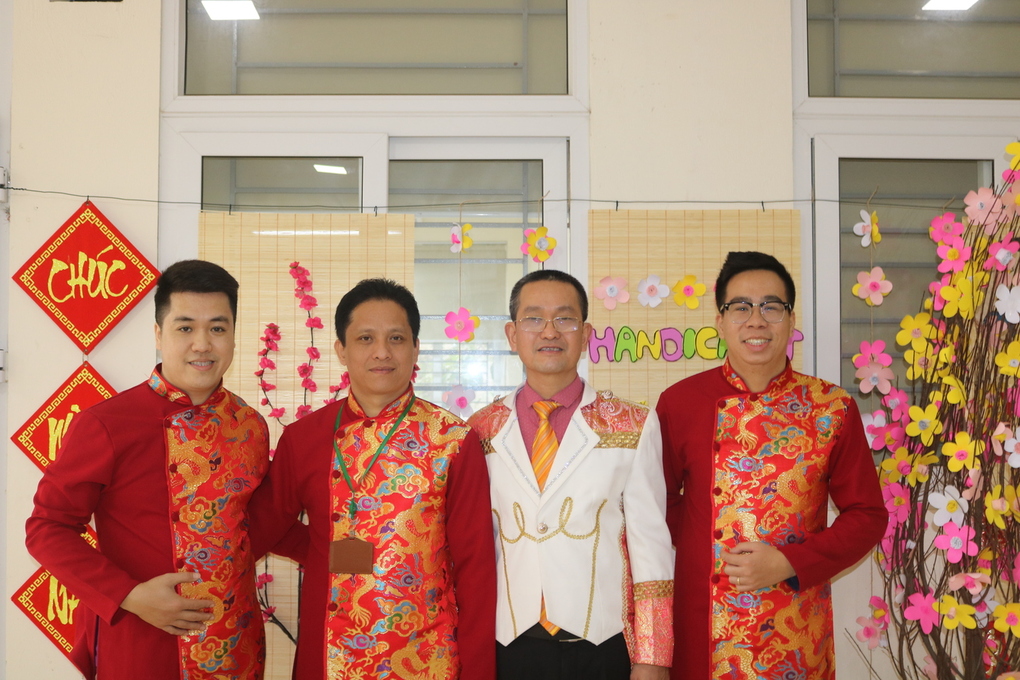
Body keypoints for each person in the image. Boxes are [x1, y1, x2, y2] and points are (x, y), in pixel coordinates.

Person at [26, 259, 271, 680]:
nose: (202, 344)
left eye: (217, 328)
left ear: (233, 335)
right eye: (185, 327)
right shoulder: (107, 423)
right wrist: (130, 595)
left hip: (236, 645)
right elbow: (47, 528)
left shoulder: (249, 425)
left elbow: (261, 523)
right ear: (159, 334)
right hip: (143, 641)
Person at [247, 278, 496, 680]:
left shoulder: (452, 440)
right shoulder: (305, 438)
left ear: (416, 348)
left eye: (396, 338)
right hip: (327, 657)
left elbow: (476, 569)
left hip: (427, 656)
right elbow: (262, 527)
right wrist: (321, 550)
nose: (382, 352)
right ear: (341, 351)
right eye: (365, 338)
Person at [655, 251, 887, 680]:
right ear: (720, 320)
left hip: (796, 626)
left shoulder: (832, 407)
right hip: (704, 627)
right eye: (740, 307)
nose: (756, 321)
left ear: (791, 319)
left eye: (771, 307)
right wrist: (706, 550)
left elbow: (867, 515)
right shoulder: (680, 403)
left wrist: (789, 561)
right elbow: (657, 504)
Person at [468, 270, 674, 680]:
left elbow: (652, 549)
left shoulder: (633, 424)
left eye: (565, 318)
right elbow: (475, 547)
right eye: (533, 318)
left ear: (586, 334)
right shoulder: (480, 429)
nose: (550, 331)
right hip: (509, 647)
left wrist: (653, 656)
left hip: (602, 646)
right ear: (512, 335)